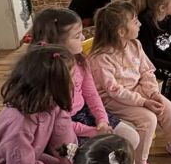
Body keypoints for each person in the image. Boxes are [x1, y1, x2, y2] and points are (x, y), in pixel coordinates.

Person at [89, 1, 171, 164]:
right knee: (148, 120)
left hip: (138, 91)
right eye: (135, 21)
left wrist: (153, 94)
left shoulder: (135, 44)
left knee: (169, 109)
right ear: (121, 31)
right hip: (112, 99)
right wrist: (144, 102)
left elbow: (147, 71)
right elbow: (114, 91)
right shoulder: (100, 58)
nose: (139, 24)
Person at [29, 8, 140, 148]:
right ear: (57, 42)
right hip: (61, 126)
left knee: (131, 137)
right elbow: (58, 122)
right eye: (77, 36)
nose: (83, 38)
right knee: (96, 154)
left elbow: (91, 94)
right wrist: (92, 131)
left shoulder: (80, 60)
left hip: (84, 112)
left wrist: (102, 120)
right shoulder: (48, 73)